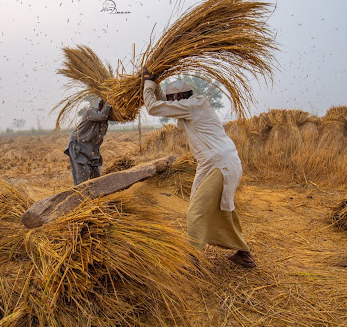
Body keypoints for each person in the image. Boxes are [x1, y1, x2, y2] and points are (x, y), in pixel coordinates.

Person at [141, 67, 256, 268]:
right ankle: (243, 254)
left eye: (173, 98)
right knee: (219, 208)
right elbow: (167, 104)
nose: (173, 103)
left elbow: (154, 108)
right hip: (213, 163)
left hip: (219, 164)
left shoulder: (193, 105)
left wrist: (147, 85)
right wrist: (157, 86)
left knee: (196, 212)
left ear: (180, 96)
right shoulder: (193, 104)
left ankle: (192, 259)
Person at [64, 98, 113, 185]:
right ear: (102, 107)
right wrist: (111, 100)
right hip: (78, 146)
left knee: (96, 176)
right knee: (83, 175)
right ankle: (81, 196)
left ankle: (96, 197)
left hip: (90, 150)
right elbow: (102, 115)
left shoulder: (104, 122)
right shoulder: (91, 112)